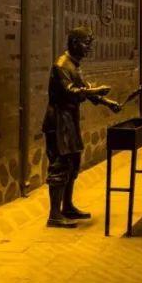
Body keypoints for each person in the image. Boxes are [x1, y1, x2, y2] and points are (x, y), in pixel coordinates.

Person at [42, 26, 122, 228]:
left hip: (69, 121)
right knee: (60, 165)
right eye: (87, 43)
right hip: (58, 122)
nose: (89, 48)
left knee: (73, 163)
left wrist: (107, 102)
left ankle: (67, 206)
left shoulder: (74, 65)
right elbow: (72, 92)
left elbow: (83, 88)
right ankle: (54, 215)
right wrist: (97, 90)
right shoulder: (61, 65)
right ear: (75, 43)